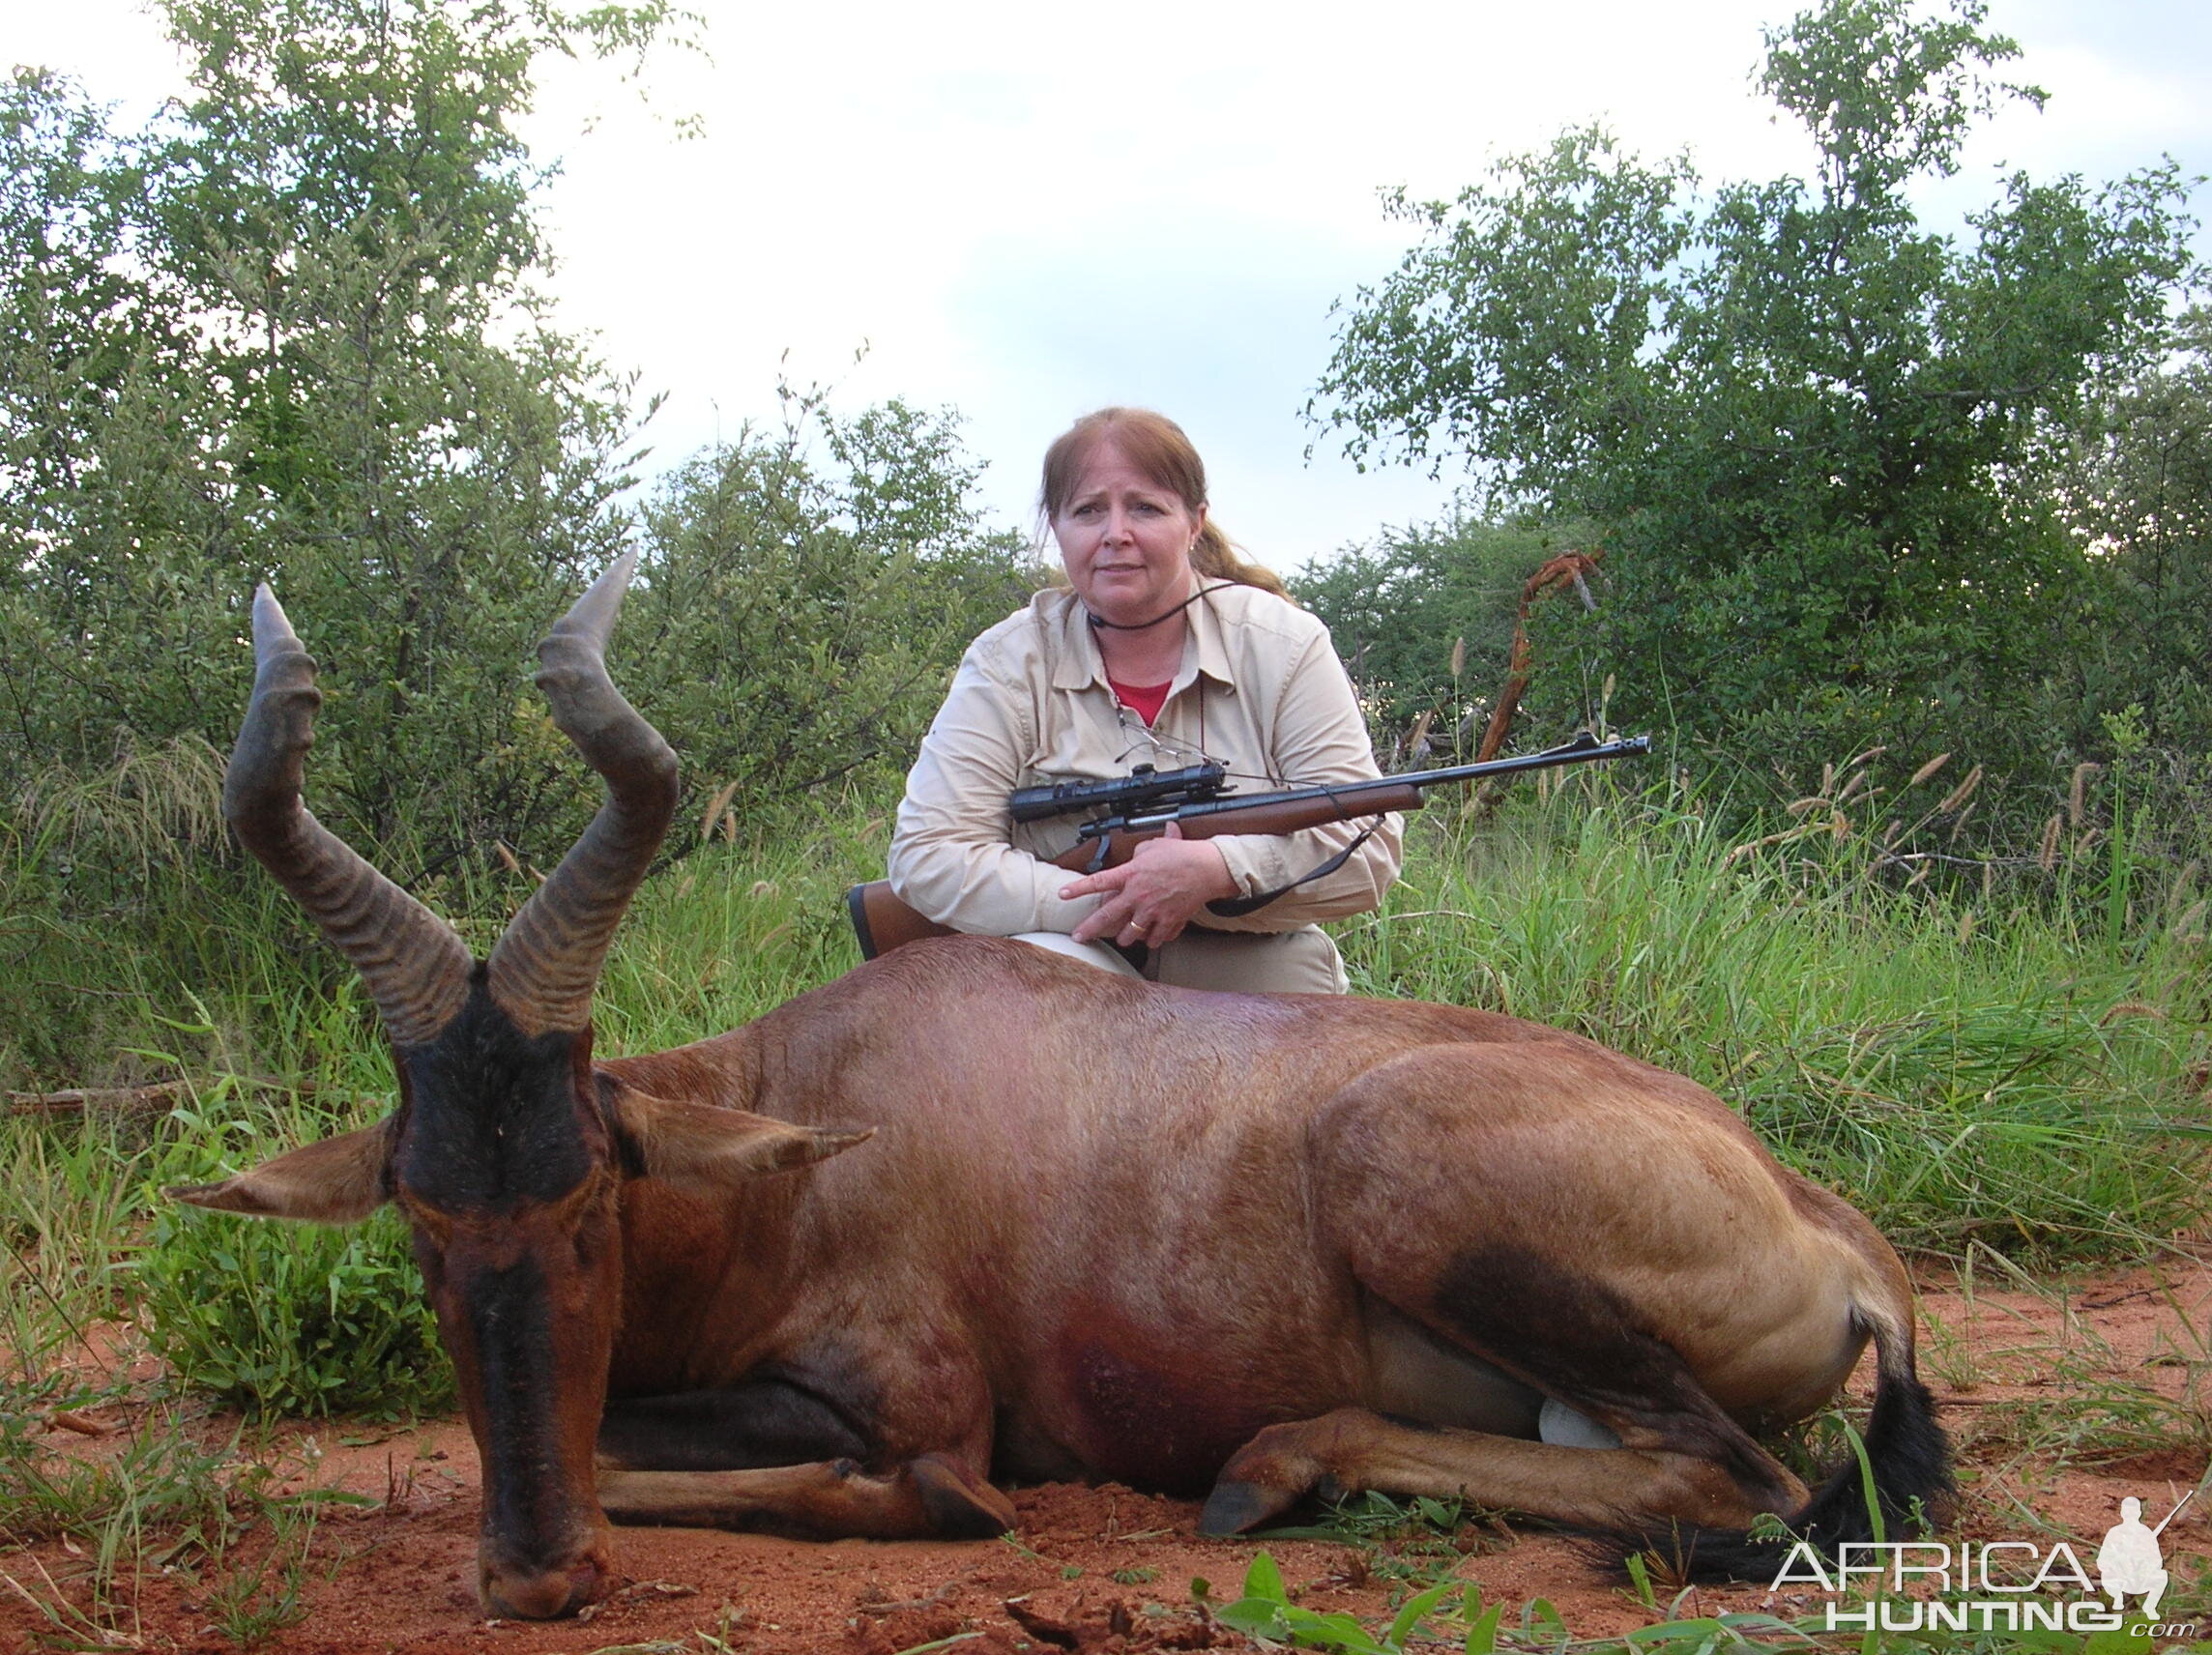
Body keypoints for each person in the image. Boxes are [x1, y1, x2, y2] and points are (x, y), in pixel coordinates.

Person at [887, 407, 1402, 993]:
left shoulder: (1284, 644)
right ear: (1057, 526)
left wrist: (1220, 870)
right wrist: (1113, 898)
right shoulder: (1008, 659)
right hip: (1077, 952)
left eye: (1145, 508)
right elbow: (928, 855)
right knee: (1040, 975)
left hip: (1250, 961)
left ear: (1195, 522)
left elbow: (1368, 850)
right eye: (1087, 511)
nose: (1115, 534)